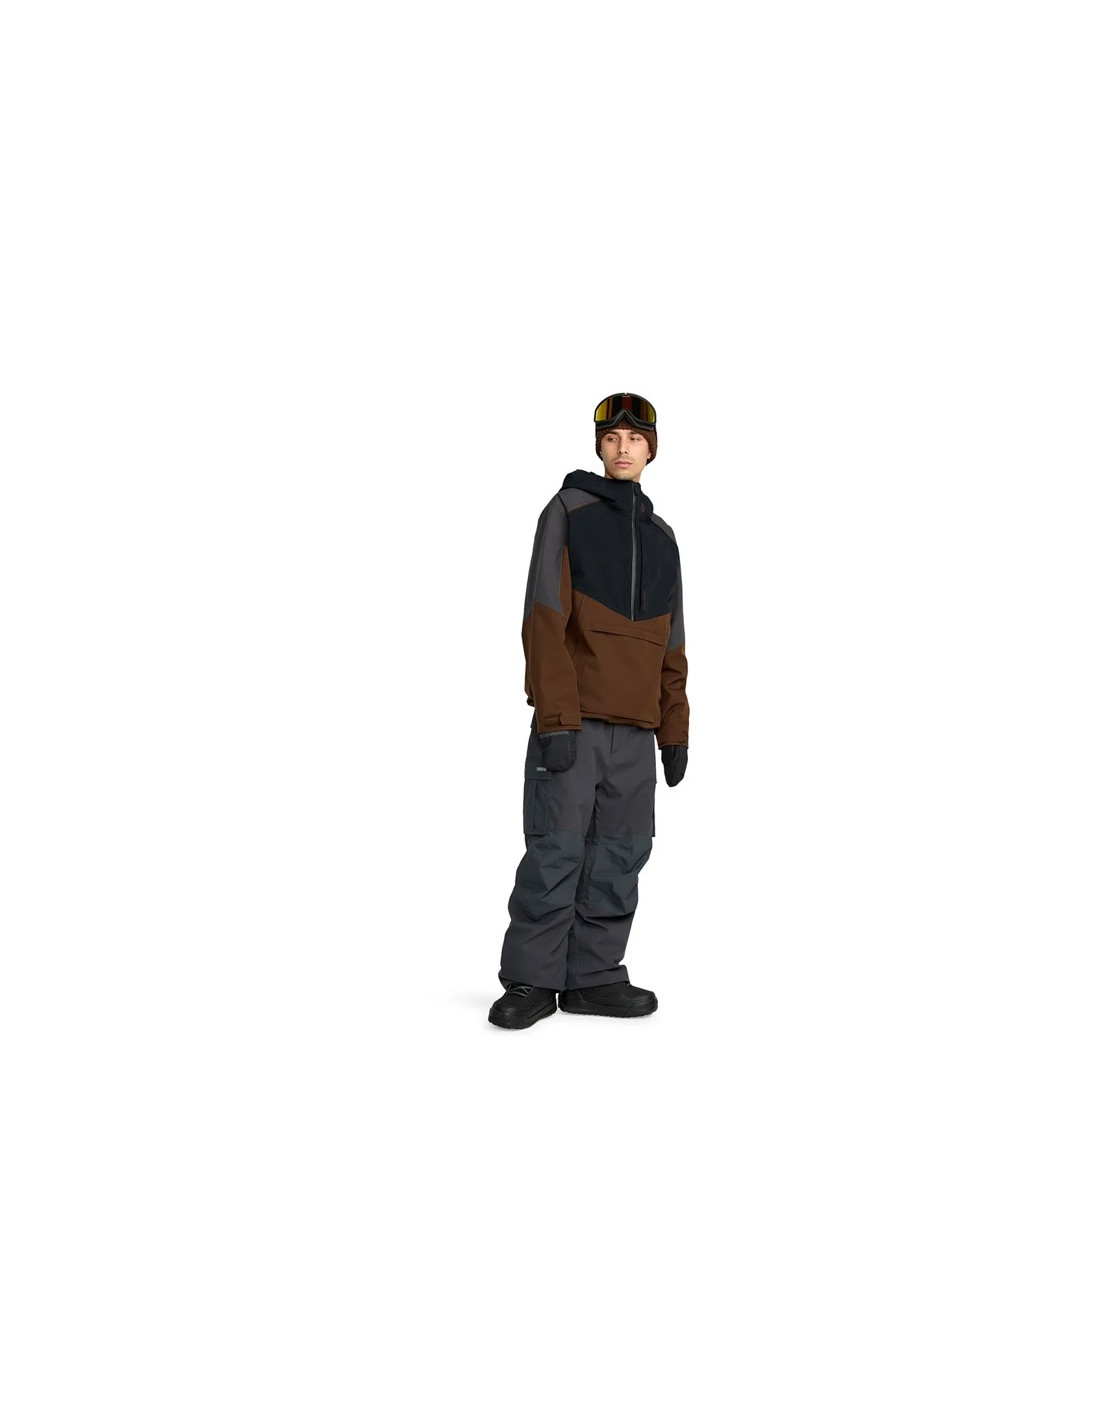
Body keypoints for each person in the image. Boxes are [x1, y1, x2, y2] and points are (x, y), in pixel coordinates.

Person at [489, 392, 689, 1030]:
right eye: (612, 439)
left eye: (636, 439)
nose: (624, 449)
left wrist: (675, 729)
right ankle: (533, 979)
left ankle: (593, 976)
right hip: (574, 721)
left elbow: (674, 642)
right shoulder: (567, 512)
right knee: (557, 850)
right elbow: (543, 618)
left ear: (651, 450)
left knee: (621, 854)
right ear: (599, 446)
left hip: (636, 732)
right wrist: (555, 716)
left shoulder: (663, 539)